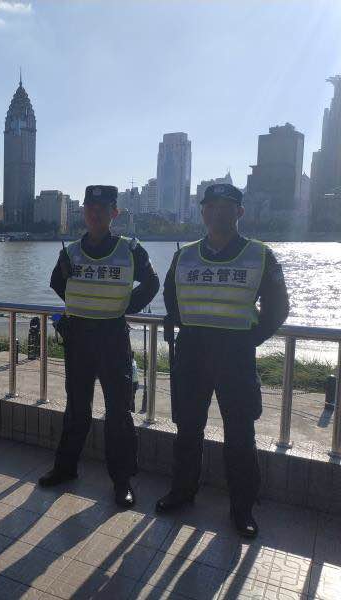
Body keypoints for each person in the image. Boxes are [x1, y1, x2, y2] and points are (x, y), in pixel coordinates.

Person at [155, 183, 289, 538]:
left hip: (235, 357)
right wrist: (191, 327)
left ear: (239, 212)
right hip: (192, 353)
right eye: (211, 206)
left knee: (240, 434)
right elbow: (170, 296)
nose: (217, 212)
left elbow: (278, 308)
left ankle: (242, 509)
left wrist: (248, 338)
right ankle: (182, 491)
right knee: (187, 429)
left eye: (226, 206)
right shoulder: (185, 256)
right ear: (203, 212)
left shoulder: (259, 255)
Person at [37, 185, 159, 509]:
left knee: (118, 412)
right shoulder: (71, 252)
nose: (95, 213)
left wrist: (124, 306)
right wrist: (80, 307)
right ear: (84, 212)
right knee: (77, 408)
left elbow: (152, 283)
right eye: (90, 208)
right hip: (79, 337)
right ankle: (65, 468)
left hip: (112, 338)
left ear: (114, 213)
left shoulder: (130, 250)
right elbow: (56, 282)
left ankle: (122, 482)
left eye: (102, 208)